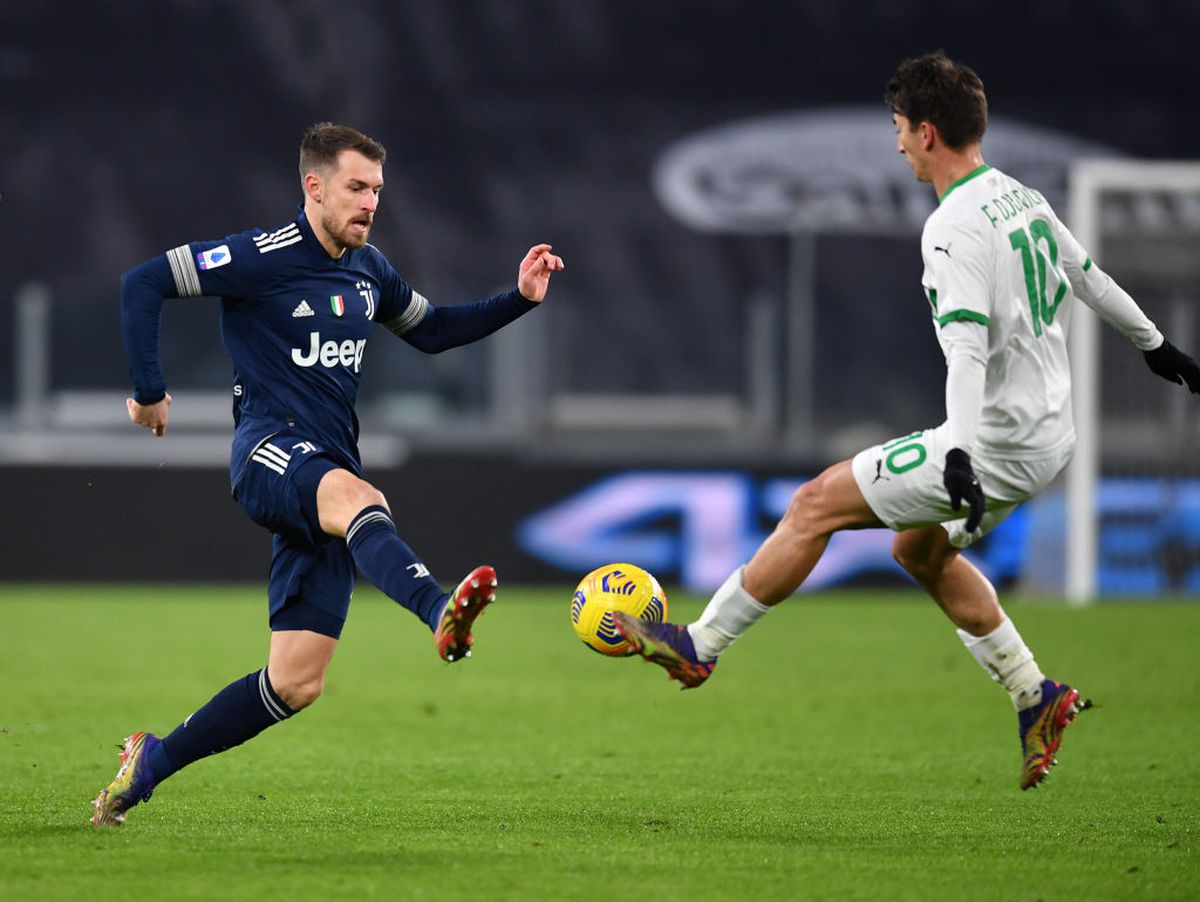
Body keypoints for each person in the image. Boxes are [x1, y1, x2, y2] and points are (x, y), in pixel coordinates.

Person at [615, 51, 1200, 790]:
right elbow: (1090, 279)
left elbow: (965, 352)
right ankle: (1035, 694)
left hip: (991, 442)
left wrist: (958, 450)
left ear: (926, 132)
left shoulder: (952, 227)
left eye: (898, 129)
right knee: (918, 553)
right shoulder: (1019, 196)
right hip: (1051, 437)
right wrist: (1158, 347)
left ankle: (699, 645)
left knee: (812, 505)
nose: (895, 145)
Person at [92, 122, 564, 826]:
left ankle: (151, 760)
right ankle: (440, 613)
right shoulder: (263, 255)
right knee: (360, 496)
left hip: (323, 477)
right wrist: (151, 390)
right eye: (355, 187)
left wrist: (519, 299)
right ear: (313, 187)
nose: (370, 202)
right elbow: (144, 282)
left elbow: (432, 330)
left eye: (376, 189)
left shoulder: (367, 270)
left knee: (295, 682)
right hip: (267, 453)